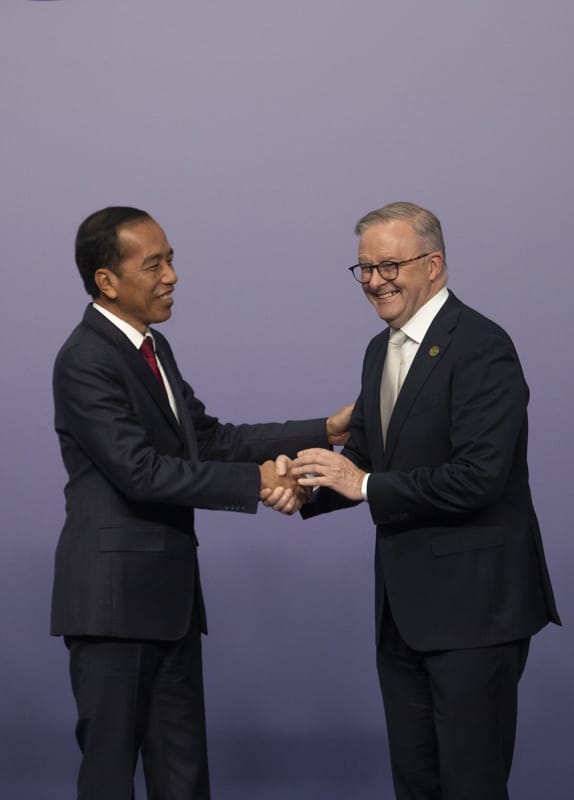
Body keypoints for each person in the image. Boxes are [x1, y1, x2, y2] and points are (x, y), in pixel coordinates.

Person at [50, 206, 349, 800]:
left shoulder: (152, 348)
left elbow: (210, 440)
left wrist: (327, 428)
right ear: (106, 281)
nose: (172, 276)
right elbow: (139, 472)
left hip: (170, 603)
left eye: (172, 259)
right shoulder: (85, 359)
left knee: (183, 777)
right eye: (153, 264)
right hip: (113, 608)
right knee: (110, 778)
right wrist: (257, 484)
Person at [289, 202, 561, 800]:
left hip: (474, 614)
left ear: (432, 265)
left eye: (389, 265)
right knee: (416, 785)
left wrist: (358, 484)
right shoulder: (376, 351)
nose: (374, 281)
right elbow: (363, 459)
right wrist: (301, 484)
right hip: (403, 617)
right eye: (363, 269)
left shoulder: (483, 346)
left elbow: (479, 478)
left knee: (470, 786)